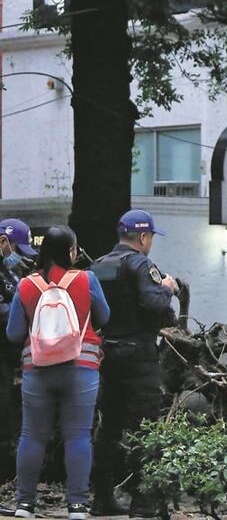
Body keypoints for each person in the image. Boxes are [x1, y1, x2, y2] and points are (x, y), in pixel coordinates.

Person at [5, 226, 109, 520]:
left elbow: (13, 334)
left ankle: (24, 505)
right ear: (71, 251)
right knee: (78, 437)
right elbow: (105, 317)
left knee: (33, 436)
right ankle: (76, 506)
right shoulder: (86, 279)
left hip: (37, 371)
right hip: (82, 369)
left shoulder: (27, 285)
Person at [90, 209, 179, 517]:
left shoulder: (99, 266)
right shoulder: (140, 264)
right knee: (146, 428)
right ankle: (143, 502)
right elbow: (154, 304)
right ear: (143, 237)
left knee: (109, 427)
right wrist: (167, 288)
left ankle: (101, 498)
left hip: (108, 354)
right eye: (151, 237)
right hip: (139, 356)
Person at [0, 219, 37, 480]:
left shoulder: (10, 271)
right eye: (17, 251)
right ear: (3, 242)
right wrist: (23, 312)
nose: (20, 258)